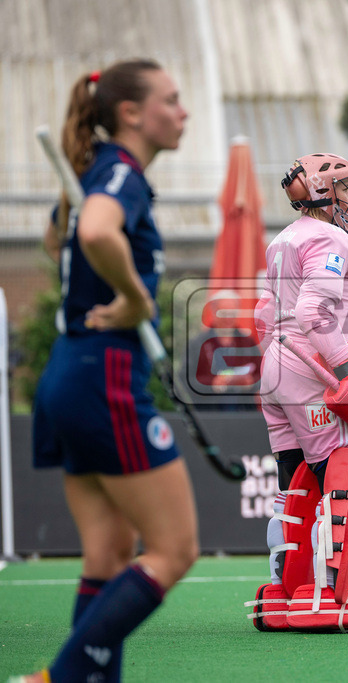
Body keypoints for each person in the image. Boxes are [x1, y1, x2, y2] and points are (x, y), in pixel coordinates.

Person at [25, 60, 196, 683]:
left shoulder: (99, 173)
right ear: (131, 113)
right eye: (172, 100)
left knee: (108, 553)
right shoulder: (120, 172)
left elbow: (57, 241)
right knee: (174, 551)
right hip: (102, 376)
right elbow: (95, 231)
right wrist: (135, 297)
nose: (183, 112)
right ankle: (55, 679)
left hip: (67, 372)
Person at [250, 153, 348, 633]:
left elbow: (262, 316)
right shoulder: (331, 238)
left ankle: (281, 595)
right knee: (338, 481)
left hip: (278, 365)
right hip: (314, 371)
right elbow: (314, 314)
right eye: (347, 189)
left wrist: (276, 371)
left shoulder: (284, 238)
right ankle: (329, 594)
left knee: (291, 486)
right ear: (325, 194)